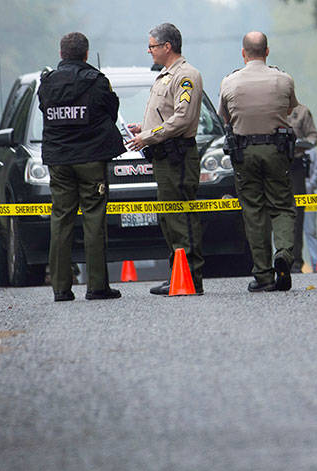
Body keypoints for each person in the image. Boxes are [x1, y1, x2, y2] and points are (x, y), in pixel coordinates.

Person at [37, 32, 126, 302]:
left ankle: (61, 288)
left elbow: (44, 109)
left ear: (62, 53)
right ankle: (97, 286)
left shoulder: (47, 82)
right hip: (90, 159)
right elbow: (111, 110)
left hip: (59, 160)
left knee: (61, 220)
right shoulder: (97, 82)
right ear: (86, 54)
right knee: (94, 218)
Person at [125, 23, 205, 295]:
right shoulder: (165, 75)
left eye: (152, 46)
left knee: (181, 216)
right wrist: (143, 127)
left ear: (167, 46)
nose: (149, 51)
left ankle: (191, 275)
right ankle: (178, 272)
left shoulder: (185, 76)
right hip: (164, 156)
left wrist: (147, 137)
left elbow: (181, 119)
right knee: (168, 217)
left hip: (177, 156)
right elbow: (166, 114)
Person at [218, 31, 300, 293]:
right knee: (282, 206)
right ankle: (284, 255)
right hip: (276, 151)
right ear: (267, 52)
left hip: (244, 153)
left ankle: (263, 275)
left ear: (243, 53)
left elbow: (225, 118)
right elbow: (290, 110)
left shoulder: (229, 82)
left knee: (254, 212)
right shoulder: (284, 79)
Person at [286, 102, 317, 272]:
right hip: (270, 166)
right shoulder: (267, 109)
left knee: (297, 215)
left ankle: (295, 262)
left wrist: (301, 144)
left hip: (295, 166)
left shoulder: (301, 112)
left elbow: (314, 136)